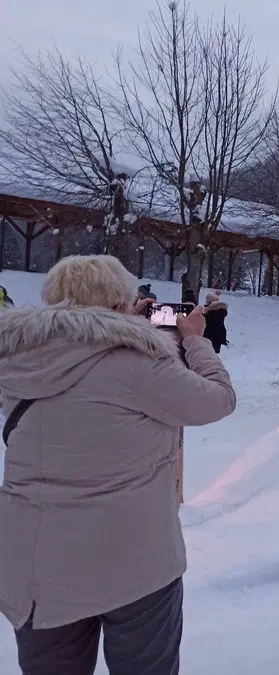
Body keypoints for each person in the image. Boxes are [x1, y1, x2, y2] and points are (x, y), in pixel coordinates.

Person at [0, 255, 236, 674]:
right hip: (134, 563)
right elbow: (217, 400)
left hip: (35, 567)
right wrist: (195, 341)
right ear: (117, 300)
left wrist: (126, 324)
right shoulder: (140, 363)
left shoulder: (17, 360)